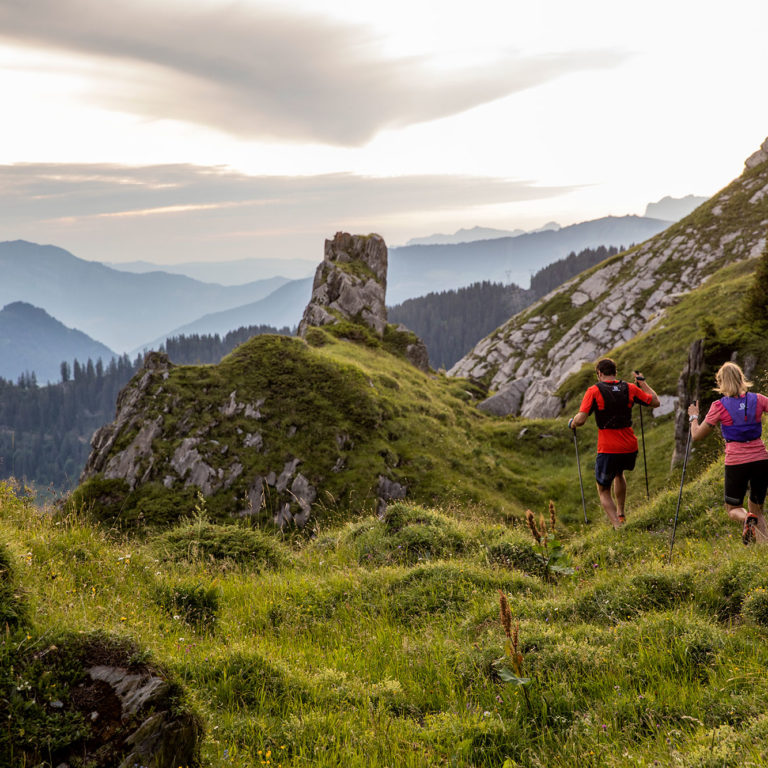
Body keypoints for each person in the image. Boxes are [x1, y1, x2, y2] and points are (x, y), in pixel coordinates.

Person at [568, 358, 659, 528]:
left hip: (608, 447)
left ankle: (618, 526)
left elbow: (580, 420)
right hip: (629, 445)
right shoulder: (630, 388)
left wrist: (572, 422)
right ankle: (621, 513)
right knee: (619, 473)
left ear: (599, 374)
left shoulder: (594, 390)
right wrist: (642, 383)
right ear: (615, 373)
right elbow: (655, 402)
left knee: (603, 490)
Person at [687, 361, 768, 545]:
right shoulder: (759, 399)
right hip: (761, 460)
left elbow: (697, 435)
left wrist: (693, 416)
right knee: (758, 509)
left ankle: (746, 519)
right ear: (741, 378)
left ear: (721, 382)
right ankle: (764, 547)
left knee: (733, 508)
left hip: (736, 462)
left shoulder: (719, 406)